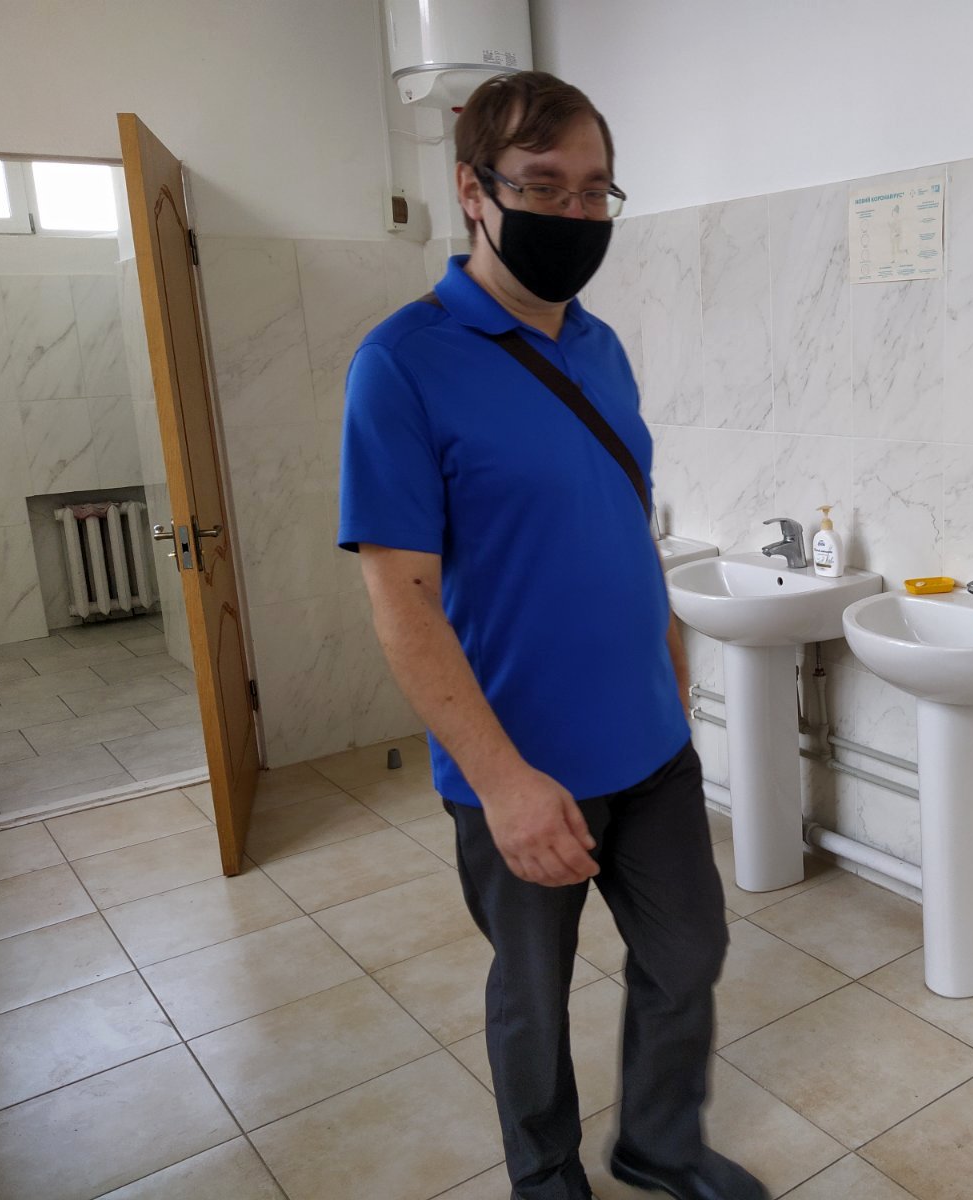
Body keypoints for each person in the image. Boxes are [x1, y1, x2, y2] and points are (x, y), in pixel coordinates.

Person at [338, 71, 765, 1200]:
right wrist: (502, 781)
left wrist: (670, 659)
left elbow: (626, 519)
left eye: (593, 191)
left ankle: (659, 1143)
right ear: (472, 189)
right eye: (542, 186)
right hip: (517, 764)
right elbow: (401, 600)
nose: (573, 214)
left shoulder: (603, 347)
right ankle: (545, 1177)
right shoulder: (402, 364)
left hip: (649, 742)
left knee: (689, 952)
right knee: (533, 990)